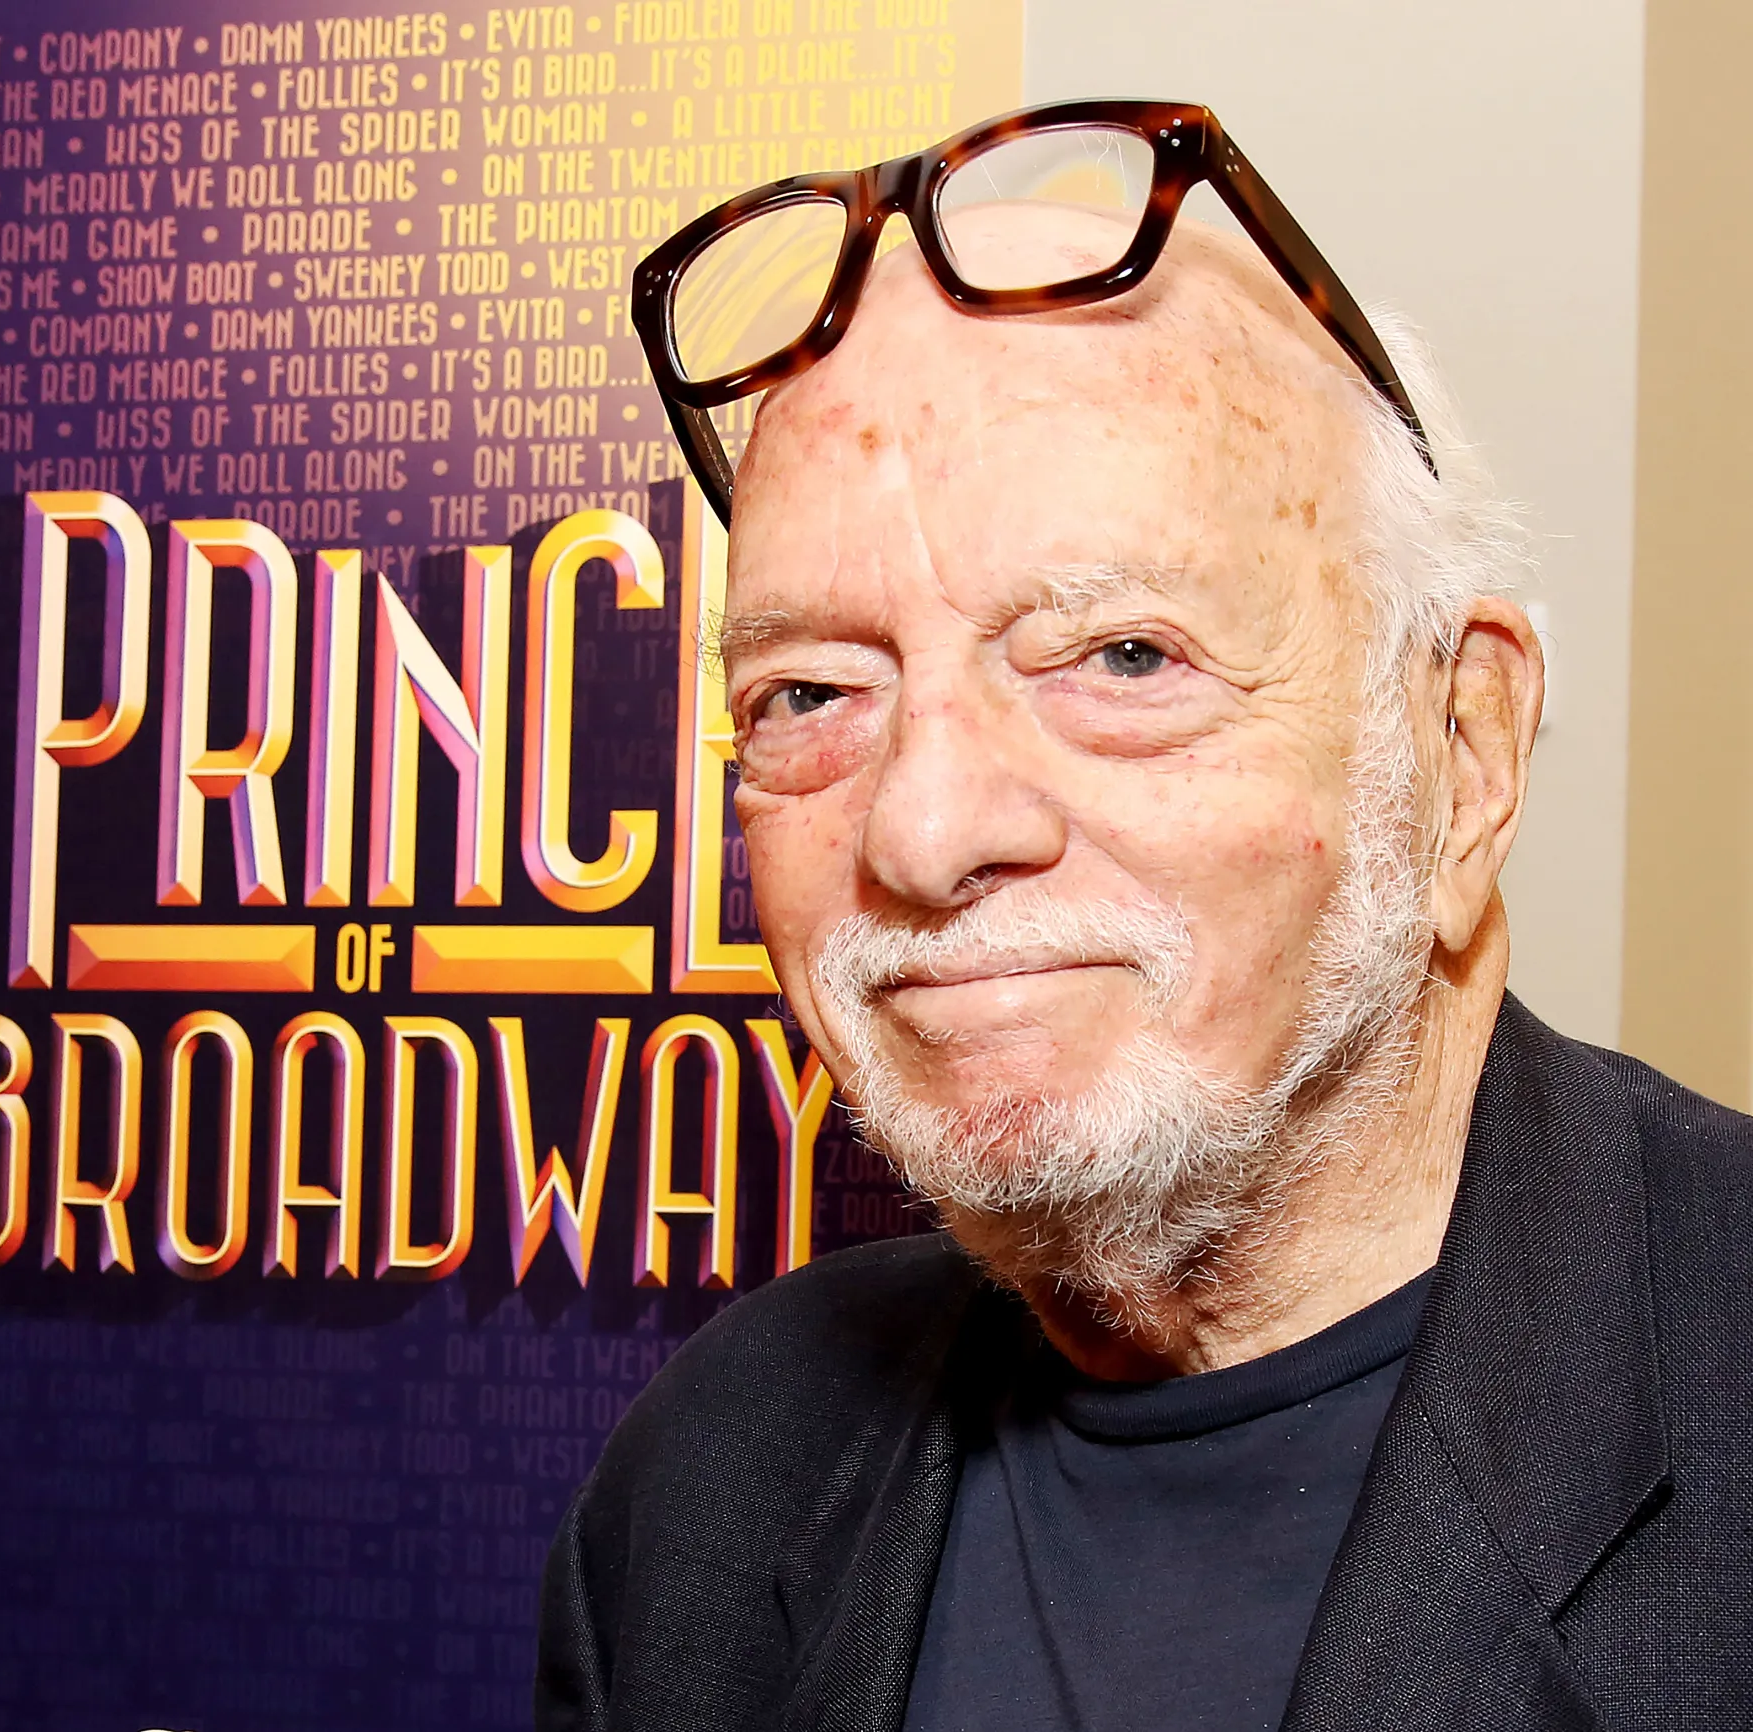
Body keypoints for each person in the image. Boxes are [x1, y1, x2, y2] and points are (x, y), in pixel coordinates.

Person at [536, 105, 1753, 1731]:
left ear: (1461, 754)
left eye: (1121, 657)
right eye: (811, 692)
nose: (925, 830)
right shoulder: (712, 1482)